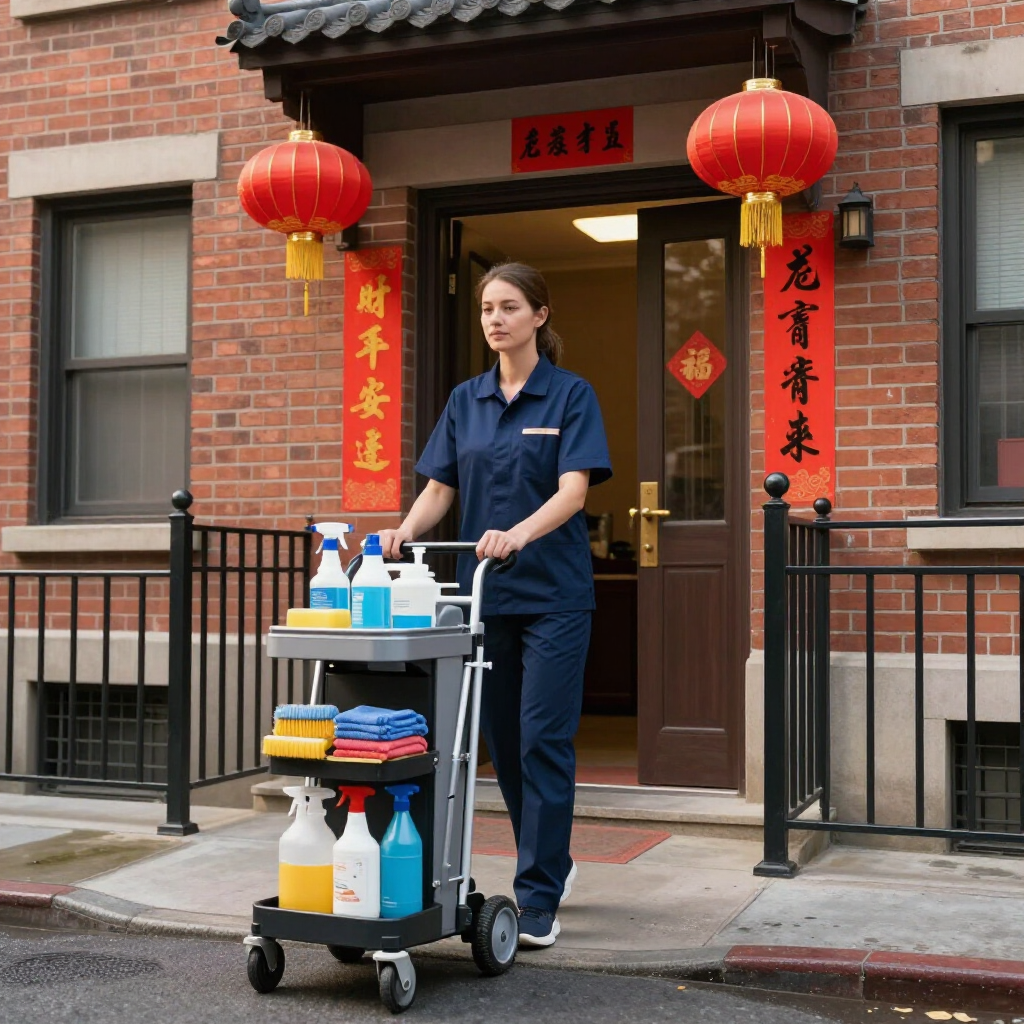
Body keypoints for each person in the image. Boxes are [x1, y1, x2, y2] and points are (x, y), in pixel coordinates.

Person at [378, 262, 611, 947]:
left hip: (556, 596)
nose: (495, 319)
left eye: (509, 307)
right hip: (483, 598)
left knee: (543, 738)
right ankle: (550, 860)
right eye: (486, 309)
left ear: (539, 315)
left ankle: (537, 892)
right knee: (503, 745)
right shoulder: (465, 401)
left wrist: (517, 534)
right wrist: (405, 529)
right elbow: (440, 489)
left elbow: (573, 492)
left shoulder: (570, 396)